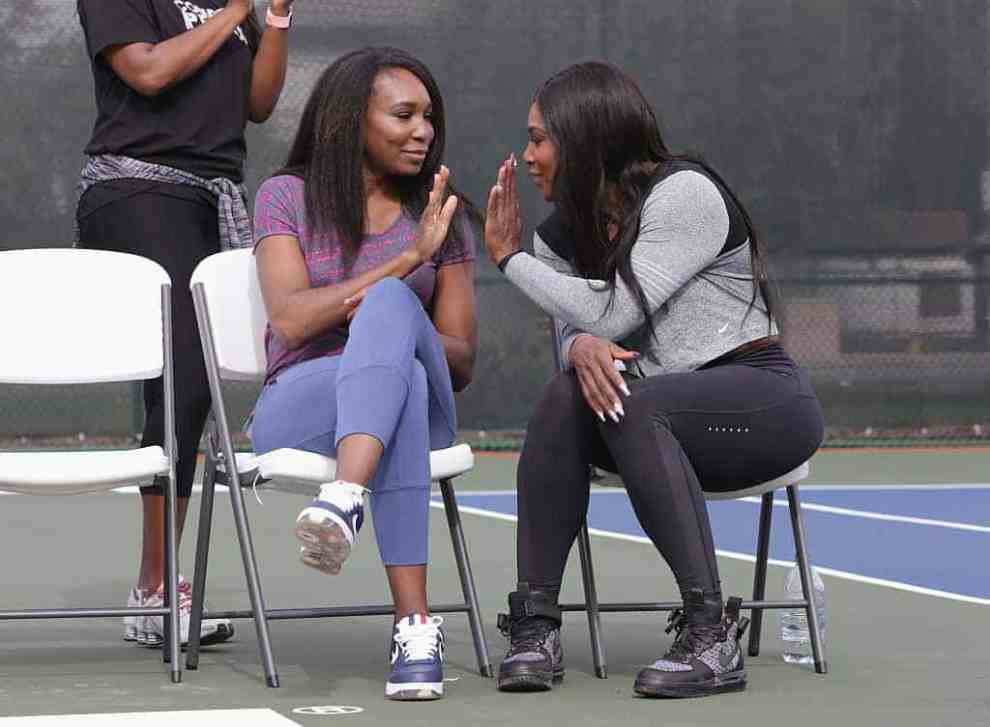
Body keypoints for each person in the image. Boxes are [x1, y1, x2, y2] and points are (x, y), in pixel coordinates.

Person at [484, 61, 824, 698]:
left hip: (759, 399)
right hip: (652, 419)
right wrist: (578, 342)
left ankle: (709, 632)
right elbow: (577, 338)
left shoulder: (683, 194)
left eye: (539, 138)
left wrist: (509, 260)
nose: (527, 156)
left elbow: (617, 311)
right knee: (564, 397)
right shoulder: (563, 233)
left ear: (584, 138)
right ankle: (535, 623)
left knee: (639, 405)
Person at [250, 46, 478, 701]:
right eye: (404, 114)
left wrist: (395, 313)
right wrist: (408, 261)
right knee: (395, 366)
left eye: (428, 117)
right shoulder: (284, 196)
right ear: (352, 121)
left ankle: (345, 497)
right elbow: (291, 322)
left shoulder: (441, 211)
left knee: (394, 325)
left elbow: (459, 357)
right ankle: (413, 626)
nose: (423, 131)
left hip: (422, 398)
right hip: (301, 405)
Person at [75, 0, 295, 647]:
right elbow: (146, 71)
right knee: (182, 383)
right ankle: (153, 588)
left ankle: (158, 584)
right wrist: (237, 12)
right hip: (138, 189)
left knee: (194, 388)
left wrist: (276, 20)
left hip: (213, 196)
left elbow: (256, 102)